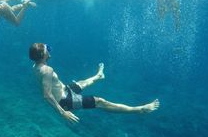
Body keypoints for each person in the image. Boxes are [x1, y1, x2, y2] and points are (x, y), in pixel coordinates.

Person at [29, 43, 160, 123]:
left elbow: (49, 85)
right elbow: (46, 95)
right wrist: (62, 112)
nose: (49, 51)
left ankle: (98, 76)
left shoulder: (36, 67)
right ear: (42, 54)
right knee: (100, 101)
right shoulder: (47, 70)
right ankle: (139, 110)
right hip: (65, 102)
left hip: (64, 91)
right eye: (47, 50)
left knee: (81, 83)